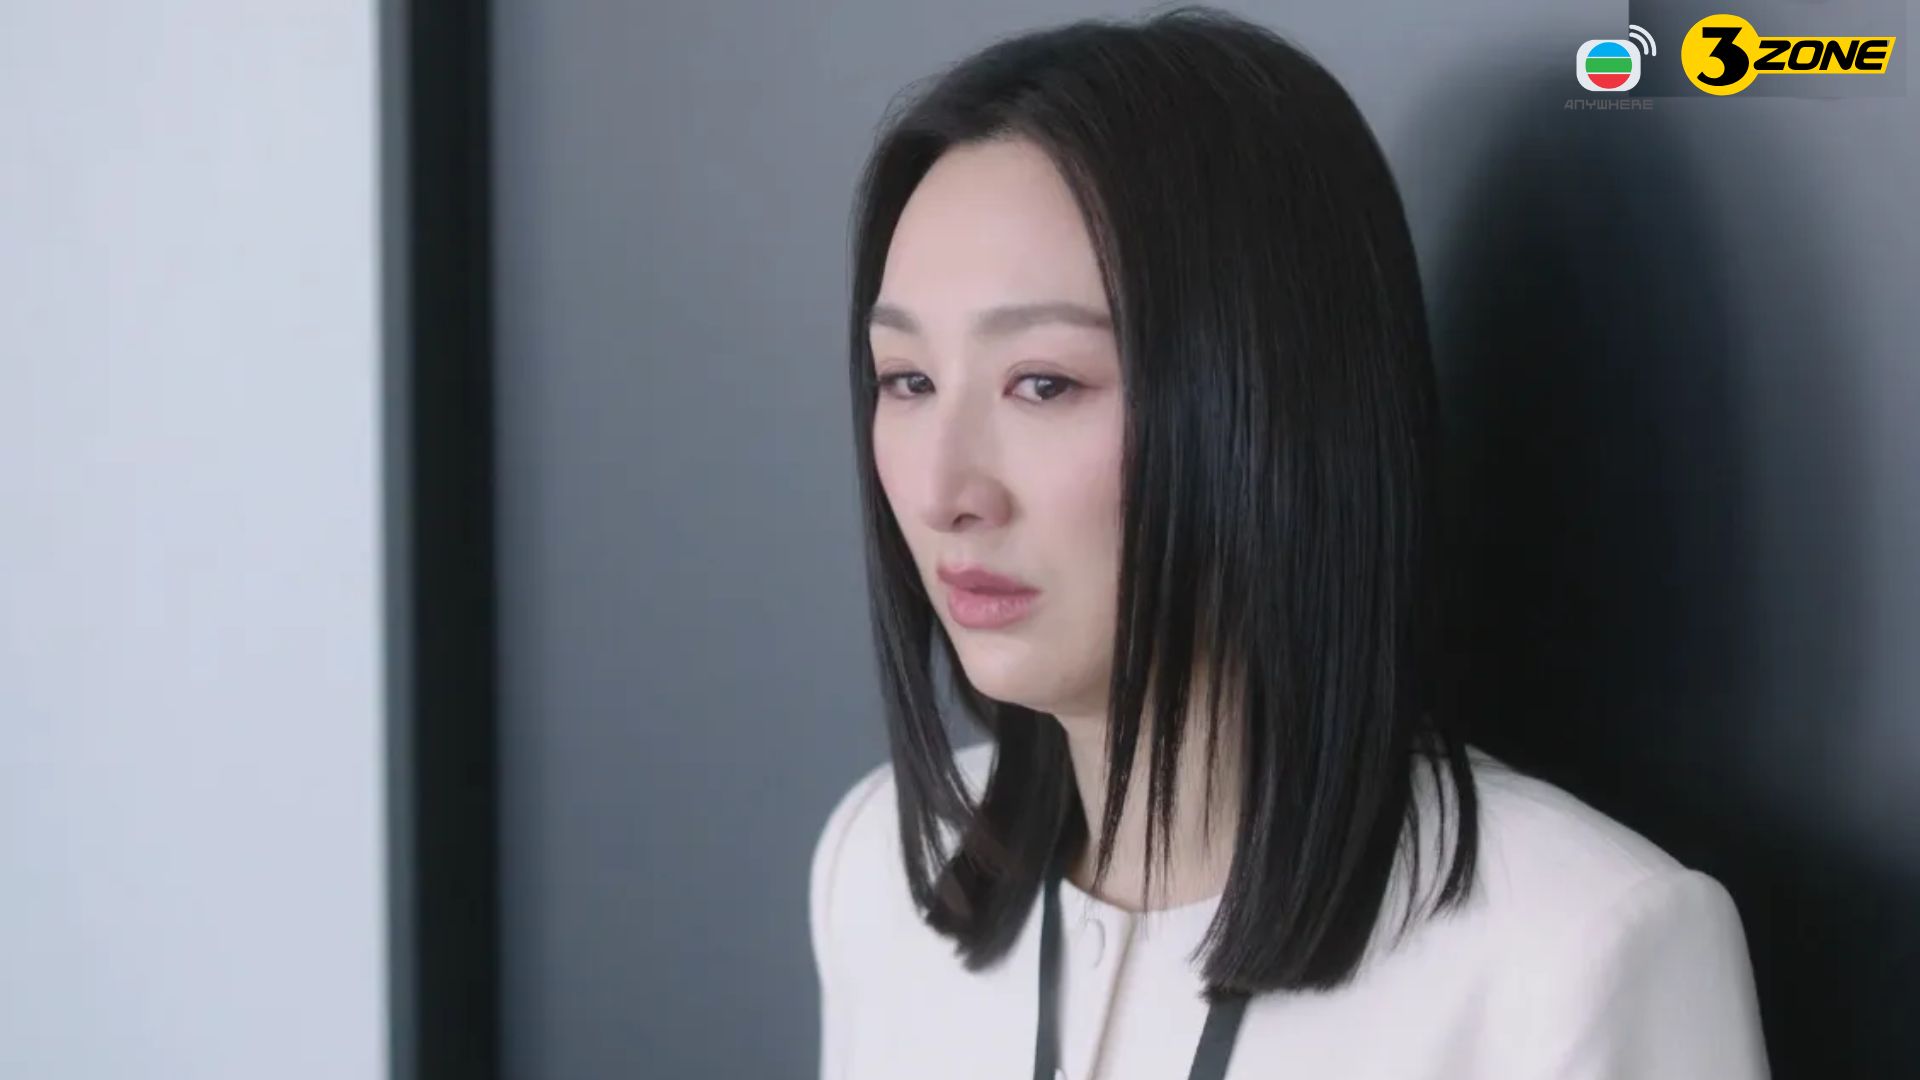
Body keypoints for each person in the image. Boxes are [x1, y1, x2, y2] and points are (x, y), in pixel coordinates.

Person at [810, 6, 1770, 1078]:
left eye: (1044, 383)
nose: (942, 491)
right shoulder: (883, 869)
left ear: (1267, 404)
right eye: (908, 381)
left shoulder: (1576, 949)